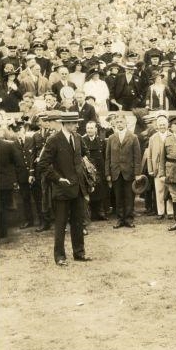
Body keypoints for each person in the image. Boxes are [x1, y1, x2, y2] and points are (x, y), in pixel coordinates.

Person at [37, 112, 91, 265]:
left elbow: (84, 155)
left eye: (76, 122)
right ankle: (60, 257)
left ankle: (79, 253)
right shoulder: (53, 140)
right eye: (74, 123)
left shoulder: (78, 138)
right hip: (62, 190)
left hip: (78, 189)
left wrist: (86, 168)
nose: (76, 125)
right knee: (60, 224)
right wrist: (58, 179)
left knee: (78, 223)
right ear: (65, 124)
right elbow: (42, 164)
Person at [105, 113, 142, 228]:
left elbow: (137, 157)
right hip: (115, 172)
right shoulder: (111, 138)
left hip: (129, 172)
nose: (119, 124)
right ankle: (120, 219)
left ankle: (129, 219)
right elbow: (107, 157)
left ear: (126, 122)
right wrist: (108, 173)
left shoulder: (133, 137)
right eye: (117, 122)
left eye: (121, 122)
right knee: (118, 197)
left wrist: (137, 173)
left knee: (129, 196)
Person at [147, 114, 173, 220]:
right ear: (157, 126)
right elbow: (149, 155)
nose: (162, 126)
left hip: (170, 167)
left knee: (170, 189)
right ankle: (160, 212)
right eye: (160, 125)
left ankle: (170, 212)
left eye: (164, 124)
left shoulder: (171, 135)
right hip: (157, 168)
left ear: (167, 125)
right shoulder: (153, 138)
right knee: (159, 190)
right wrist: (150, 169)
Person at [81, 121, 108, 221]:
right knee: (89, 190)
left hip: (99, 170)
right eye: (88, 128)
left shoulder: (101, 141)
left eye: (91, 128)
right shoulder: (82, 140)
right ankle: (90, 213)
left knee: (100, 190)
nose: (89, 130)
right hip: (87, 171)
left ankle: (100, 212)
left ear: (96, 129)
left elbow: (105, 157)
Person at [0, 136, 25, 239]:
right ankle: (3, 232)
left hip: (5, 182)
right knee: (3, 207)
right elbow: (18, 162)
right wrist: (15, 179)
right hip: (5, 182)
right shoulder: (8, 145)